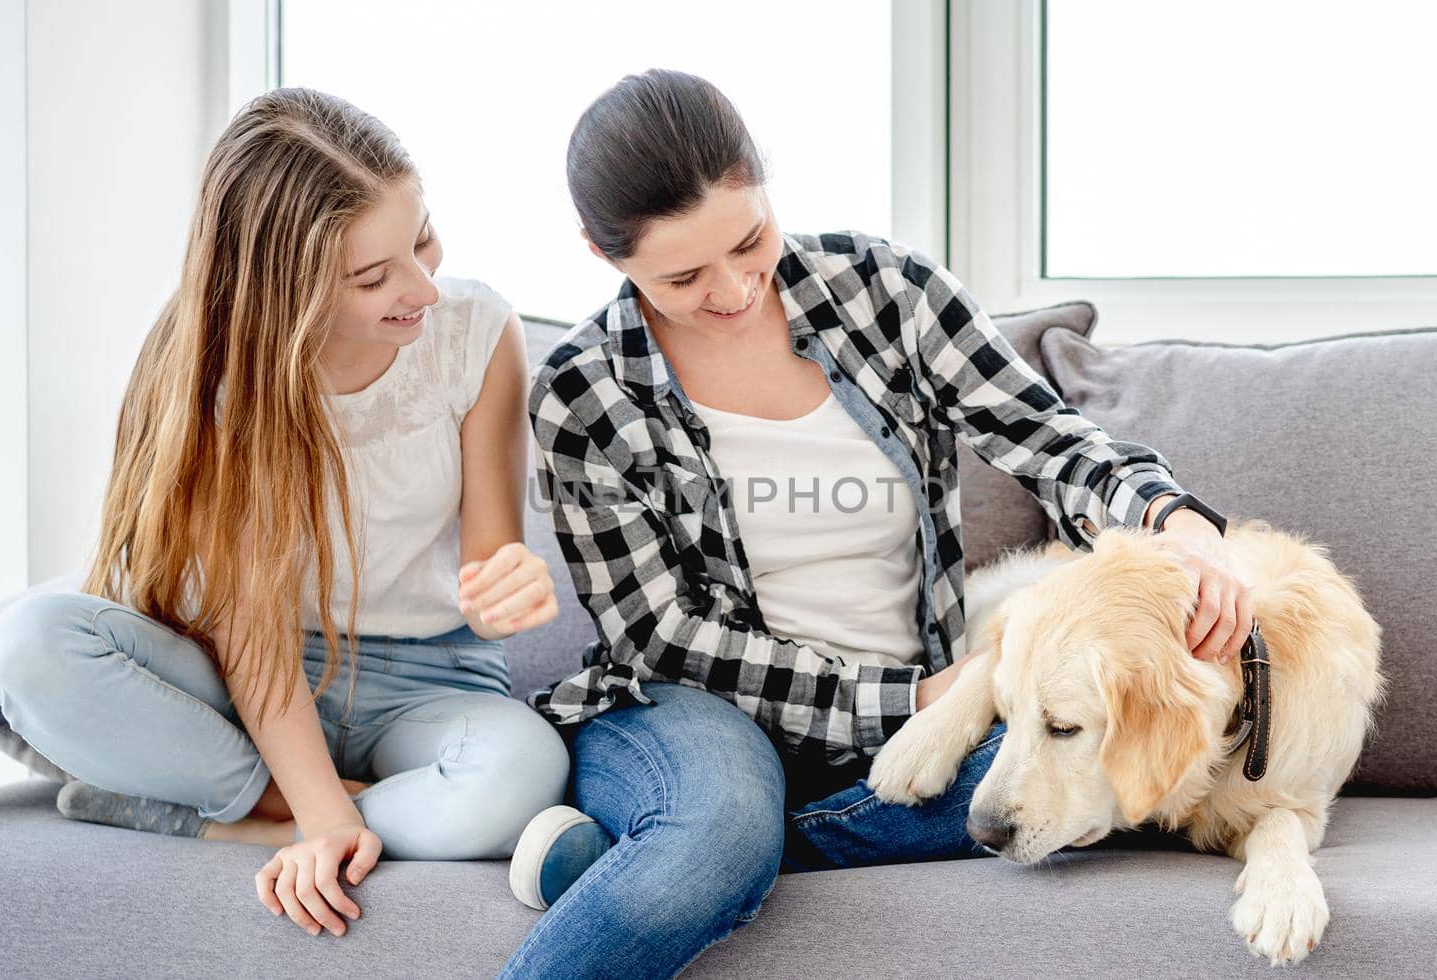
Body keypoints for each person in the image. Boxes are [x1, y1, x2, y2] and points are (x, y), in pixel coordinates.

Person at [500, 69, 1252, 978]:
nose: (736, 289)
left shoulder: (885, 291)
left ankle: (643, 855)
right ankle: (694, 845)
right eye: (684, 276)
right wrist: (920, 702)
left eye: (750, 240)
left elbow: (1046, 439)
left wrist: (1175, 520)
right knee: (721, 827)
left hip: (915, 718)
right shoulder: (582, 394)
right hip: (696, 709)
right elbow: (666, 637)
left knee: (1113, 783)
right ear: (602, 252)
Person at [0, 88, 591, 939]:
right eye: (374, 276)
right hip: (255, 673)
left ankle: (190, 808)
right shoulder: (213, 381)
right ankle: (275, 818)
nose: (422, 286)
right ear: (285, 292)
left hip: (434, 678)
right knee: (34, 644)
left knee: (521, 771)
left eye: (420, 238)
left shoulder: (479, 333)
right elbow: (248, 636)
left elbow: (489, 560)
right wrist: (321, 817)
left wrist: (505, 586)